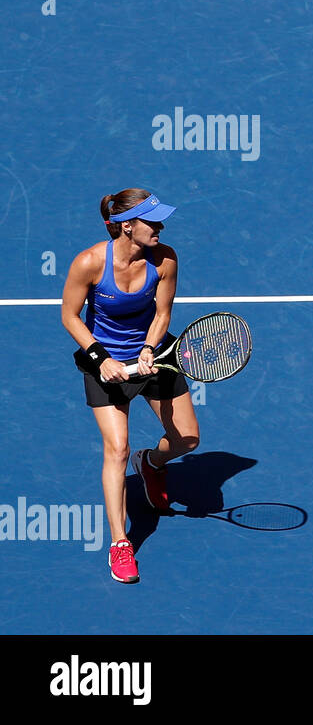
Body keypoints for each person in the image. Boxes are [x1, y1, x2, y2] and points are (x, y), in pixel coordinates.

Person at [60, 189, 200, 583]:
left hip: (152, 356)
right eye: (152, 222)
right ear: (127, 226)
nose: (160, 227)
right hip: (103, 360)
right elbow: (70, 317)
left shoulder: (166, 259)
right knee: (116, 448)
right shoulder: (89, 263)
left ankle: (151, 463)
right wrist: (102, 360)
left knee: (188, 440)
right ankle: (121, 543)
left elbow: (162, 312)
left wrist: (149, 349)